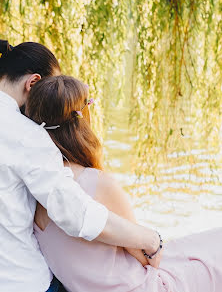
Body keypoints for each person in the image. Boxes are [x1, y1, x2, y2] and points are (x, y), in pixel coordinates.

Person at [0, 39, 162, 292]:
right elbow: (75, 213)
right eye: (48, 89)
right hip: (18, 285)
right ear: (33, 83)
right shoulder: (28, 135)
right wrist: (147, 238)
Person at [27, 75, 222, 292]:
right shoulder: (96, 183)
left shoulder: (31, 191)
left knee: (200, 247)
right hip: (141, 287)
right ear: (82, 119)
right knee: (214, 252)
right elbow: (146, 257)